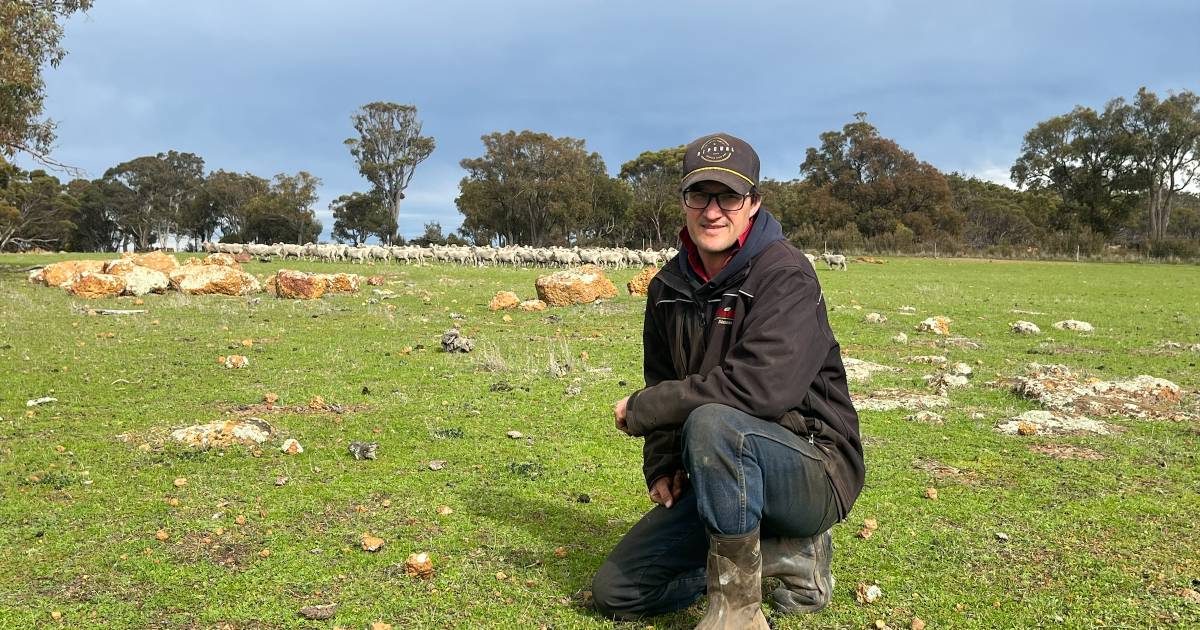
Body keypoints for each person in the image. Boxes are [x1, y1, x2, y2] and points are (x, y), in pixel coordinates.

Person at [591, 133, 865, 628]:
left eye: (729, 197)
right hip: (725, 474)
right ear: (684, 201)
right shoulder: (666, 288)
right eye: (700, 195)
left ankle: (737, 610)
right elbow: (663, 378)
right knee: (617, 593)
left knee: (715, 422)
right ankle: (782, 556)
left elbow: (762, 390)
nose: (712, 211)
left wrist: (644, 408)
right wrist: (663, 461)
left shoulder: (785, 276)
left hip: (813, 467)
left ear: (754, 203)